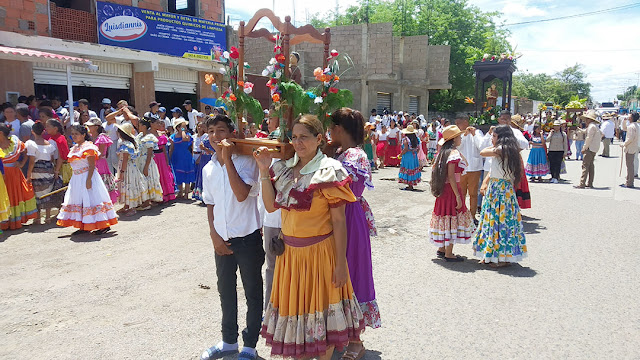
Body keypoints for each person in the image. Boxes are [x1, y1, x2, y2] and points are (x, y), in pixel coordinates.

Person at [254, 114, 364, 360]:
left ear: (319, 139)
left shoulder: (330, 171)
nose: (298, 142)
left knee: (322, 323)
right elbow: (271, 206)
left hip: (320, 256)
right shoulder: (283, 169)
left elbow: (339, 222)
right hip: (290, 258)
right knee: (298, 324)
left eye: (304, 137)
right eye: (294, 137)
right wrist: (263, 170)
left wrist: (340, 264)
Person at [200, 115, 264, 360]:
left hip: (247, 239)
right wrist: (214, 236)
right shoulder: (208, 168)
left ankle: (249, 345)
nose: (217, 136)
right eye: (212, 131)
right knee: (225, 291)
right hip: (222, 239)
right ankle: (228, 341)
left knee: (252, 292)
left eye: (222, 131)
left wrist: (228, 161)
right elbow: (210, 204)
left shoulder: (247, 161)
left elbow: (240, 195)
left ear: (232, 133)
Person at [329, 108, 381, 358]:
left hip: (349, 217)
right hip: (339, 216)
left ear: (338, 129)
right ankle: (342, 334)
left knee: (351, 274)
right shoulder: (343, 153)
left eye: (331, 128)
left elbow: (343, 185)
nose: (329, 132)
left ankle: (355, 341)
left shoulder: (355, 156)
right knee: (337, 275)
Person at [474, 125, 527, 267]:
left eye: (494, 136)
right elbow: (493, 170)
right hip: (496, 188)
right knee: (493, 222)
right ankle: (490, 253)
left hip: (501, 190)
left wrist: (487, 140)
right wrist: (485, 183)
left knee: (500, 223)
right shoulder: (503, 150)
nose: (492, 139)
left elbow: (483, 152)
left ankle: (502, 258)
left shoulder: (503, 149)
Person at [55, 124, 117, 234]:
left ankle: (103, 225)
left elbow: (92, 165)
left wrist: (88, 180)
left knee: (93, 199)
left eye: (77, 134)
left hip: (88, 176)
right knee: (80, 200)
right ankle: (83, 225)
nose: (74, 136)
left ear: (83, 135)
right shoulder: (74, 148)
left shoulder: (88, 147)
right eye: (72, 134)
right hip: (77, 178)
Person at [428, 125, 474, 261]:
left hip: (443, 190)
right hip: (452, 190)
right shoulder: (453, 154)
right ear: (454, 139)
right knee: (452, 216)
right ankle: (449, 252)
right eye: (459, 137)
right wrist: (459, 196)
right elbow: (452, 176)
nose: (461, 139)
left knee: (444, 216)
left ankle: (442, 248)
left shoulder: (442, 154)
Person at [0, 125, 38, 230]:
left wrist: (21, 163)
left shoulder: (14, 142)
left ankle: (14, 221)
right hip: (1, 176)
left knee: (13, 196)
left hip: (14, 174)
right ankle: (4, 223)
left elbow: (25, 152)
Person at [26, 122, 63, 224]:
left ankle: (37, 217)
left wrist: (28, 175)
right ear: (43, 131)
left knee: (37, 194)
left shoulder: (31, 144)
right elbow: (52, 159)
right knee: (48, 193)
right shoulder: (50, 144)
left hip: (37, 169)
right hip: (48, 169)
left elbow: (32, 161)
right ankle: (47, 216)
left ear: (32, 131)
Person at [455, 115, 484, 221]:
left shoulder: (478, 132)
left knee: (473, 193)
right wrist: (463, 136)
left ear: (466, 122)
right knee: (461, 193)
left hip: (474, 168)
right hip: (461, 168)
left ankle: (472, 216)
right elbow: (457, 146)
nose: (457, 125)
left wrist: (474, 134)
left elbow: (481, 146)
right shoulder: (458, 134)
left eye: (459, 123)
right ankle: (461, 215)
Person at [116, 123, 148, 216]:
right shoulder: (130, 143)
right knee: (127, 185)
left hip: (127, 168)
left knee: (129, 185)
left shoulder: (126, 145)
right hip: (130, 167)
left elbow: (125, 159)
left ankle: (132, 207)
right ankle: (127, 205)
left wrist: (122, 172)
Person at [86, 118, 119, 204]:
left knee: (101, 181)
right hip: (93, 162)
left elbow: (100, 153)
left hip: (100, 163)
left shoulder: (101, 137)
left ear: (96, 127)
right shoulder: (91, 137)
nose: (88, 127)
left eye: (90, 126)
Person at [136, 116, 164, 205]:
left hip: (146, 162)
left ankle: (148, 201)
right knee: (143, 180)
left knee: (148, 178)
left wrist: (146, 166)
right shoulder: (140, 136)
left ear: (144, 126)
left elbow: (149, 154)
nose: (138, 127)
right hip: (140, 161)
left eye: (140, 125)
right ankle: (145, 199)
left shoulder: (149, 137)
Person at [151, 117, 176, 202]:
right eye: (157, 123)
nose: (159, 125)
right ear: (151, 124)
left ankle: (166, 195)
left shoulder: (161, 135)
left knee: (164, 174)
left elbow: (164, 149)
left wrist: (166, 160)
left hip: (161, 156)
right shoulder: (148, 135)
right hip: (153, 157)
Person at [575, 110, 602, 189]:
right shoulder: (594, 126)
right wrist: (579, 129)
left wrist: (584, 148)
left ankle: (582, 183)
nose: (585, 120)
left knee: (585, 165)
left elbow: (588, 138)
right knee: (590, 166)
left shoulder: (591, 126)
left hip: (590, 148)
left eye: (587, 119)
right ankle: (590, 183)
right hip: (594, 148)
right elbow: (585, 132)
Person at [170, 118, 195, 199]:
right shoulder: (173, 136)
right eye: (182, 126)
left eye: (185, 126)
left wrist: (183, 130)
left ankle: (186, 194)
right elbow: (172, 148)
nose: (185, 128)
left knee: (187, 174)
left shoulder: (187, 135)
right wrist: (170, 157)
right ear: (177, 128)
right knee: (178, 175)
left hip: (185, 157)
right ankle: (180, 192)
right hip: (177, 157)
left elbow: (185, 139)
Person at [44, 119, 72, 185]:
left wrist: (57, 171)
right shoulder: (54, 139)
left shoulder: (59, 139)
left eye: (48, 126)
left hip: (61, 166)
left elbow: (61, 156)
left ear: (55, 128)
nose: (46, 128)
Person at [193, 122, 214, 201]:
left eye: (203, 126)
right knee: (202, 176)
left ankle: (209, 196)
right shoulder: (205, 137)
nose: (201, 128)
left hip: (209, 158)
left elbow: (214, 151)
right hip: (203, 157)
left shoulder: (211, 137)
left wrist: (204, 149)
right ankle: (202, 196)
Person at [398, 124, 422, 190]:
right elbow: (418, 148)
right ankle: (411, 184)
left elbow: (405, 149)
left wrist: (400, 155)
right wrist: (414, 153)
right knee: (412, 168)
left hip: (407, 156)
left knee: (408, 168)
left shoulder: (406, 139)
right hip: (413, 156)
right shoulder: (416, 139)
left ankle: (409, 184)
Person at [622, 112, 639, 188]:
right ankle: (629, 181)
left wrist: (624, 144)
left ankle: (629, 182)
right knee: (630, 165)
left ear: (631, 118)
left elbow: (630, 138)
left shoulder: (631, 127)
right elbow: (624, 128)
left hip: (630, 147)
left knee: (629, 165)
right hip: (635, 146)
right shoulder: (637, 125)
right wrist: (624, 121)